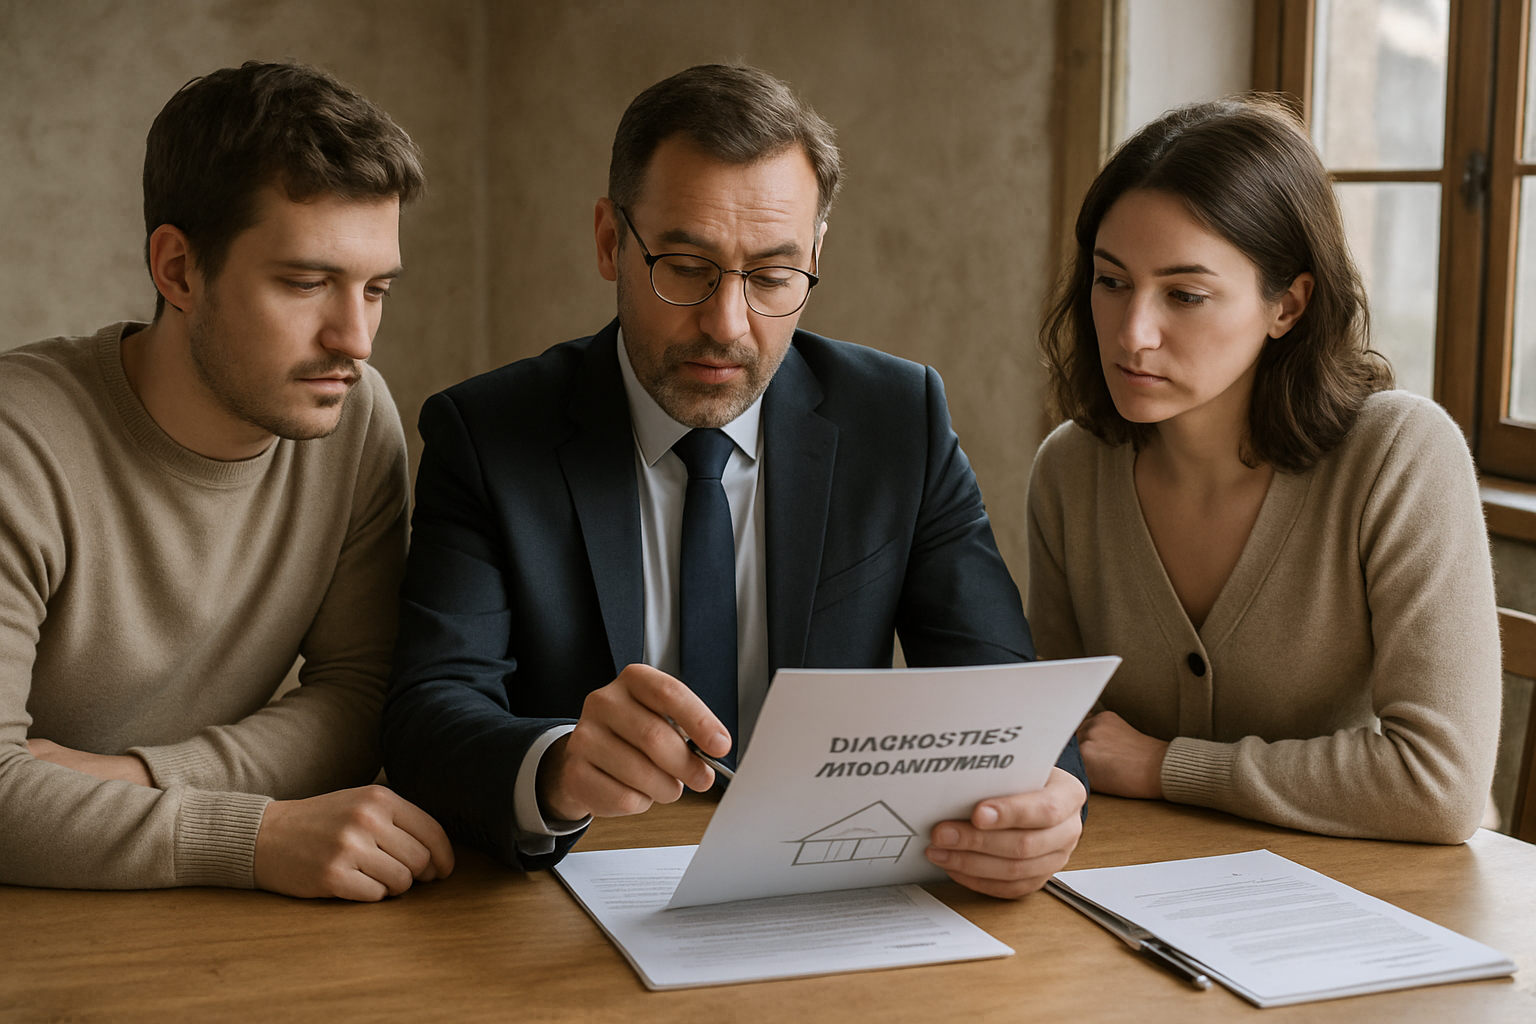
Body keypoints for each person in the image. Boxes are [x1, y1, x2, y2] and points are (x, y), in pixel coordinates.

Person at [382, 63, 1086, 898]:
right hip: (569, 905)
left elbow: (1001, 696)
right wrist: (557, 766)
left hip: (828, 895)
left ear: (816, 256)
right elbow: (428, 713)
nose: (727, 324)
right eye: (685, 267)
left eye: (773, 276)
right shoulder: (488, 434)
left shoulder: (900, 421)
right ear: (611, 240)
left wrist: (1048, 798)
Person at [0, 61, 454, 899]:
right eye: (307, 283)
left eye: (376, 289)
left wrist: (136, 778)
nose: (355, 338)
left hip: (200, 926)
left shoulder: (353, 420)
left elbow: (360, 695)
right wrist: (247, 837)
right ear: (177, 270)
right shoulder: (17, 442)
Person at [1029, 96, 1500, 843]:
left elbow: (1437, 784)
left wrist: (1164, 767)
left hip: (1389, 899)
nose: (1133, 332)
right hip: (1146, 893)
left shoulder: (1400, 456)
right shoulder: (1070, 469)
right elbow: (1053, 740)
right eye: (1111, 281)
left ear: (1288, 305)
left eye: (1185, 295)